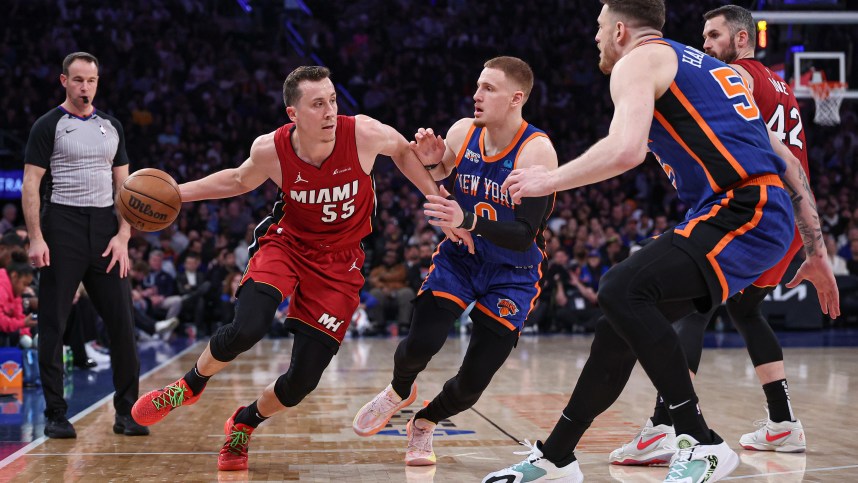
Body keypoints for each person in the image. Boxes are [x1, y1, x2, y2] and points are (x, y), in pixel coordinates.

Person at [484, 1, 839, 482]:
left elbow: (626, 150)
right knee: (616, 327)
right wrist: (816, 252)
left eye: (599, 27)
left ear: (621, 30)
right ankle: (556, 457)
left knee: (620, 288)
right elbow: (790, 163)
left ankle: (700, 441)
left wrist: (548, 181)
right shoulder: (712, 70)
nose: (596, 37)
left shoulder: (639, 60)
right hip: (757, 215)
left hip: (744, 209)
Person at [130, 65, 447, 472]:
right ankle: (189, 385)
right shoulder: (271, 149)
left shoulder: (363, 133)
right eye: (318, 104)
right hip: (287, 245)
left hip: (339, 263)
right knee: (248, 326)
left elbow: (404, 151)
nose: (330, 111)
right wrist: (178, 194)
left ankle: (244, 423)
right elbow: (239, 179)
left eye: (332, 100)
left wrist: (436, 200)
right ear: (293, 114)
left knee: (301, 383)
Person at [609, 5, 816, 466]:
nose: (704, 45)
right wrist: (815, 242)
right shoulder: (780, 85)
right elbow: (793, 161)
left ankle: (665, 427)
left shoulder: (733, 78)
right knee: (743, 308)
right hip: (786, 212)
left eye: (713, 35)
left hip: (755, 209)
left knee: (691, 307)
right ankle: (782, 421)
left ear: (742, 40)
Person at [352, 56, 558, 467]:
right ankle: (399, 390)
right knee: (420, 343)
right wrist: (434, 163)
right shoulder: (463, 131)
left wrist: (469, 219)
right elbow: (448, 176)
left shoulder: (537, 152)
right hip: (462, 256)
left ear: (517, 98)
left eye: (488, 89)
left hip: (514, 272)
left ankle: (425, 423)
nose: (476, 95)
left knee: (471, 384)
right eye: (478, 85)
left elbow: (522, 235)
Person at [23, 52, 148, 439]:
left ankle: (127, 413)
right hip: (62, 225)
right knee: (53, 323)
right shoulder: (49, 125)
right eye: (77, 80)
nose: (84, 87)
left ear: (97, 82)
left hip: (106, 229)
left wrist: (123, 235)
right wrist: (36, 238)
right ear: (64, 81)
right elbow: (30, 186)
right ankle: (56, 414)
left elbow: (124, 188)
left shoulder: (111, 126)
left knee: (123, 326)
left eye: (91, 80)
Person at [0, 252, 37, 346]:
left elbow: (19, 315)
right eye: (24, 284)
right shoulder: (1, 289)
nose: (25, 289)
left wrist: (26, 335)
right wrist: (23, 323)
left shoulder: (15, 293)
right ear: (14, 276)